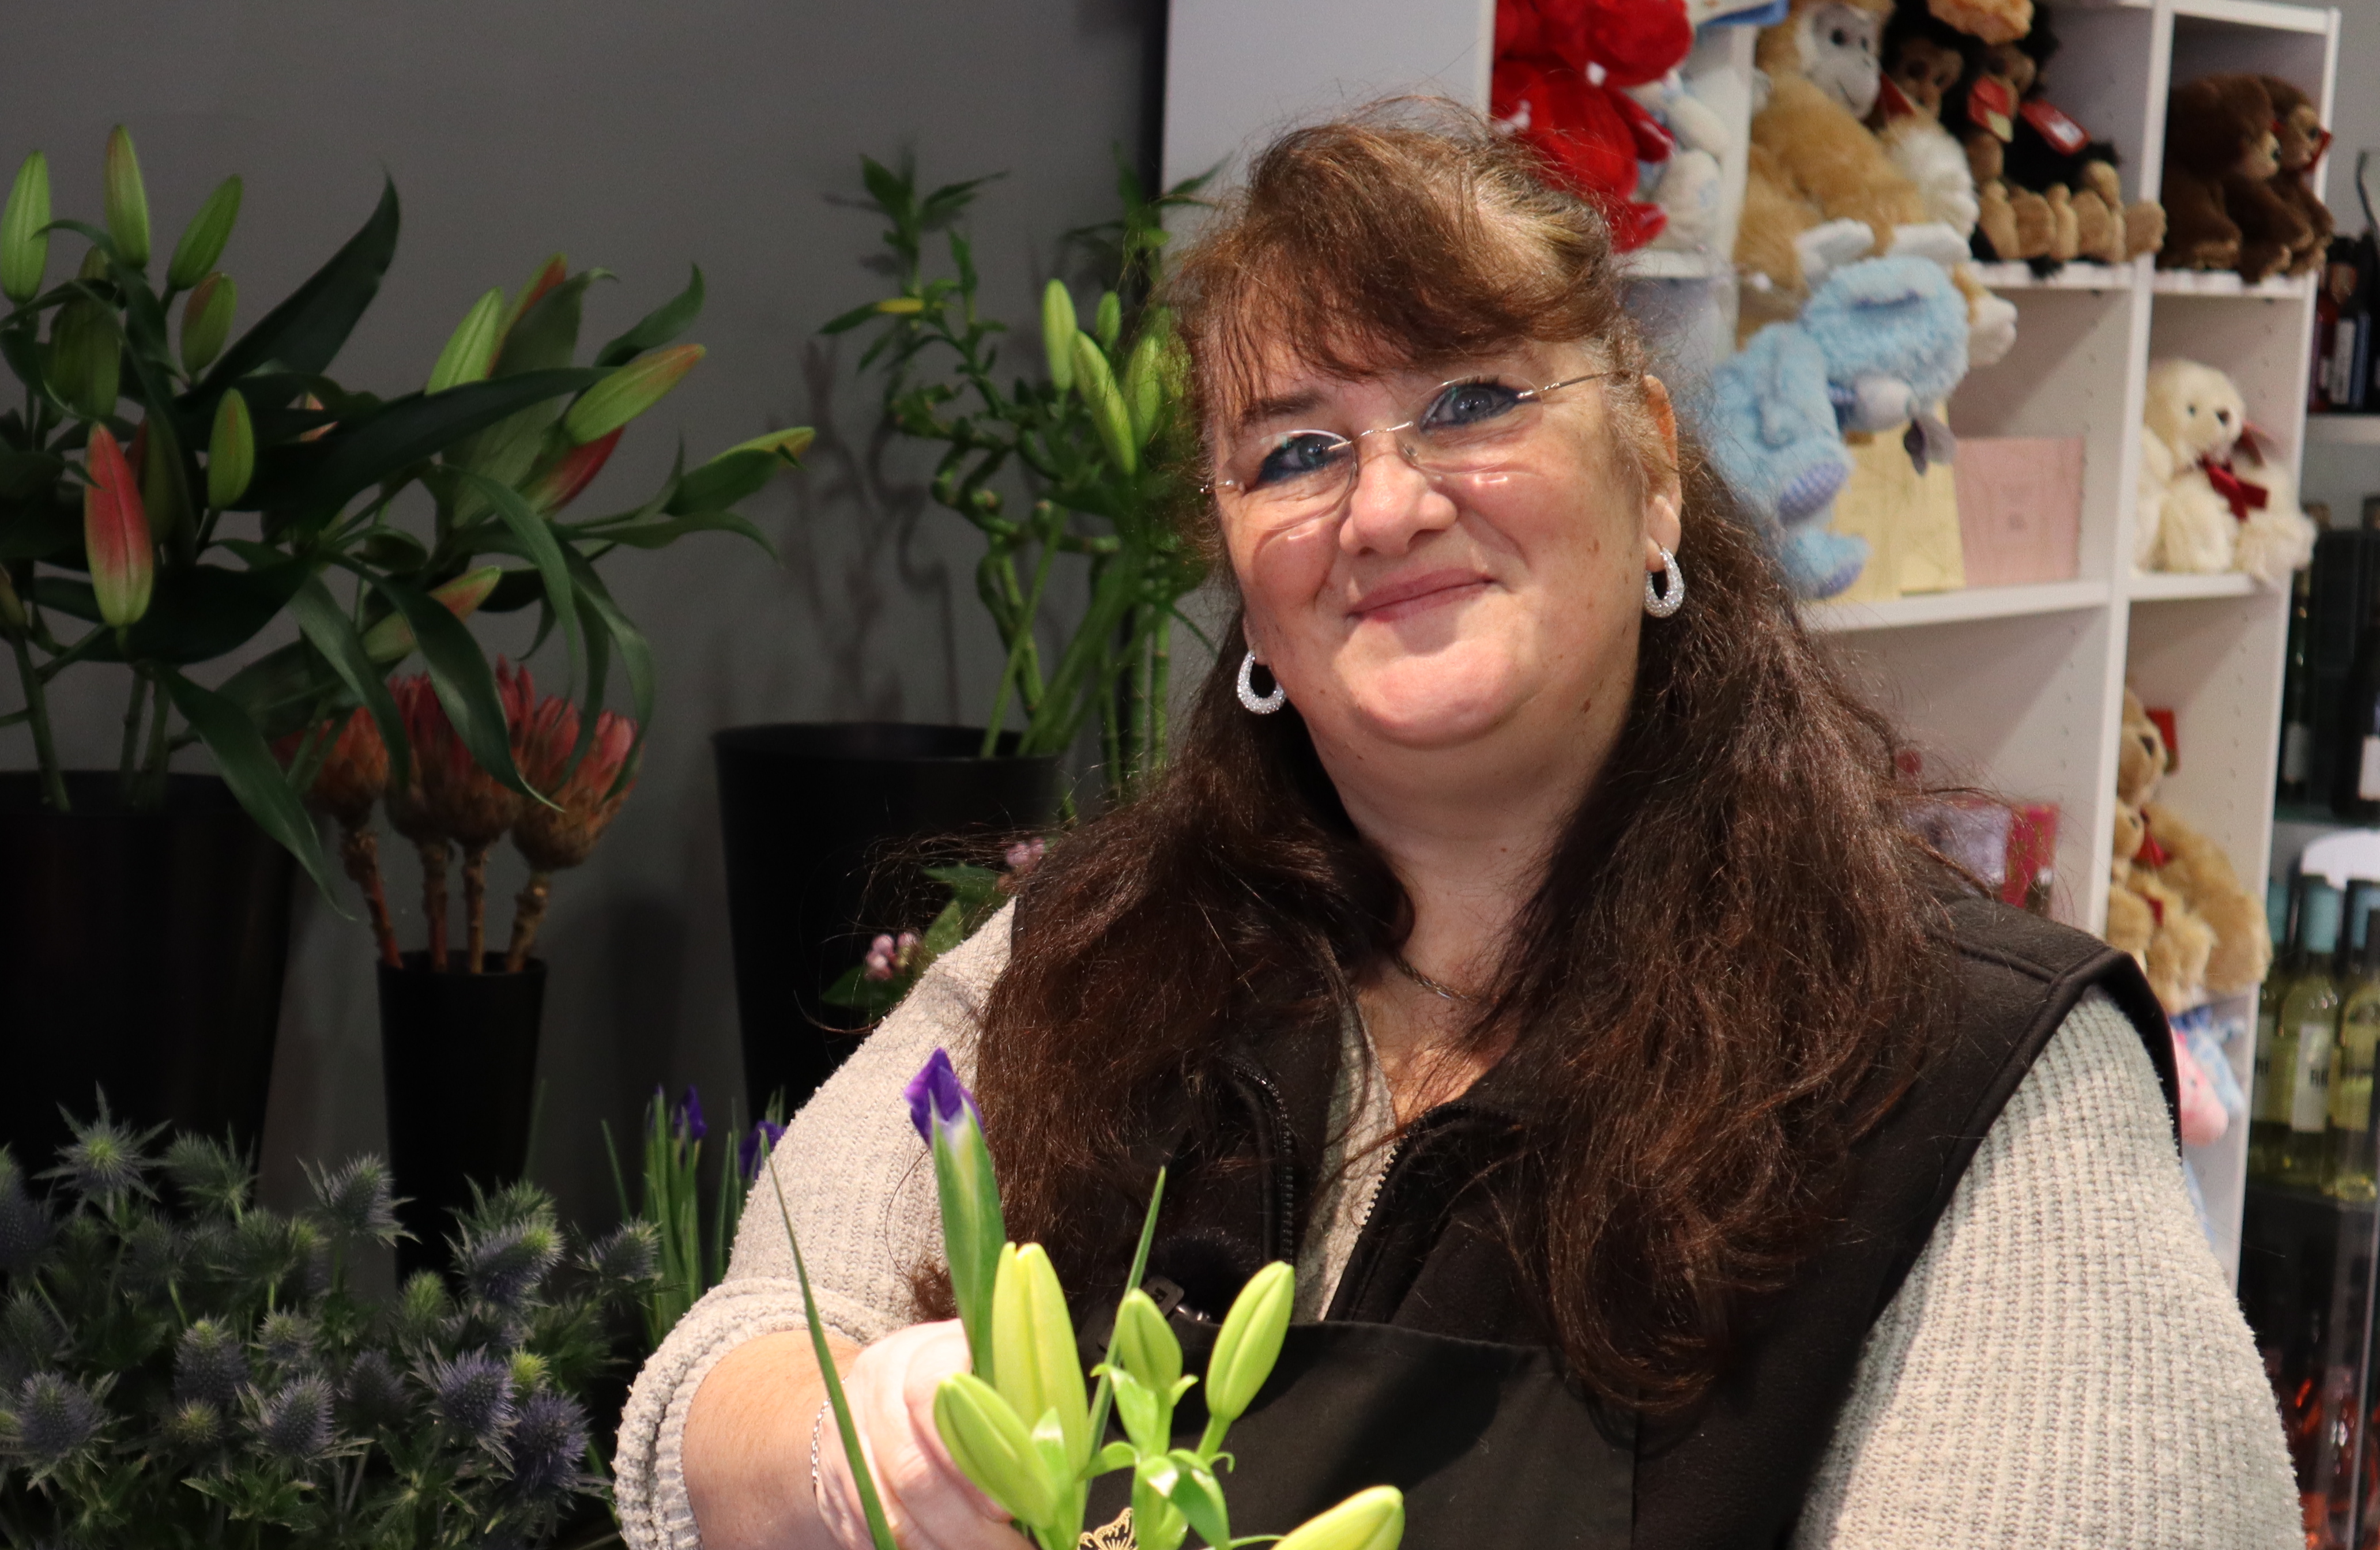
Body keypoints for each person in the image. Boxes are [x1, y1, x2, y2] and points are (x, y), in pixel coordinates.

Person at [619, 105, 2297, 1550]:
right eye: (1293, 448)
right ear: (1241, 585)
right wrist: (871, 1447)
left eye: (1473, 402)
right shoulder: (1097, 951)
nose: (1386, 502)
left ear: (1650, 469)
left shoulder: (1965, 1066)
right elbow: (717, 1380)